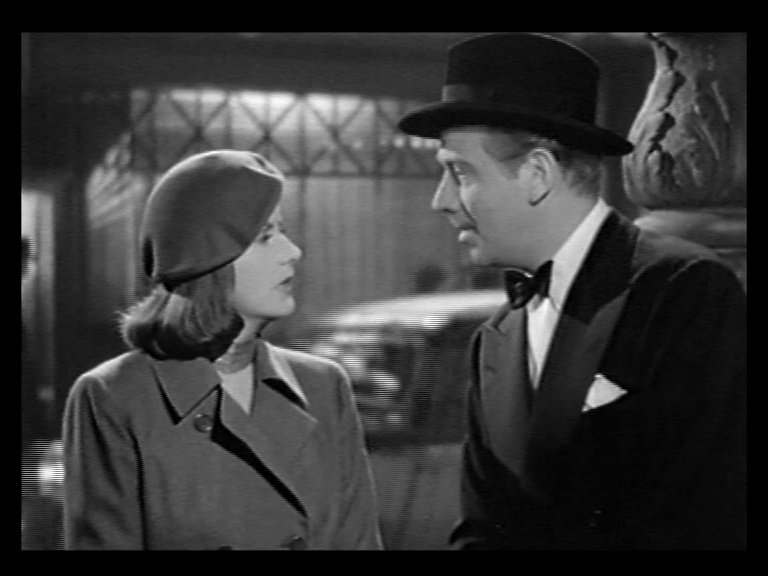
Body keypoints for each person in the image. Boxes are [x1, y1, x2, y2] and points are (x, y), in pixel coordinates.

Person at [398, 33, 746, 550]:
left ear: (538, 173)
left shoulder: (682, 288)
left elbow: (704, 516)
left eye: (458, 172)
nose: (441, 201)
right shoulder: (495, 338)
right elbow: (482, 528)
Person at [62, 150, 383, 550]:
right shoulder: (114, 396)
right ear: (205, 257)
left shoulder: (323, 385)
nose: (292, 251)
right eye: (265, 236)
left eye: (283, 232)